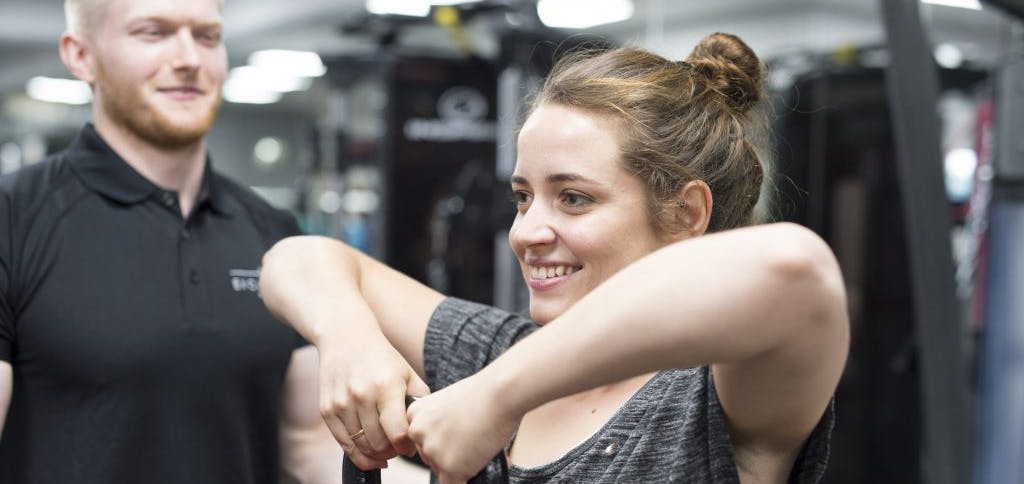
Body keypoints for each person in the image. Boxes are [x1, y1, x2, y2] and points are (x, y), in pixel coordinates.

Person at [260, 32, 849, 484]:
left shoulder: (712, 396)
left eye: (574, 198)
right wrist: (351, 342)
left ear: (687, 213)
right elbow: (298, 257)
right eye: (523, 197)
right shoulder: (501, 351)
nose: (526, 232)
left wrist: (496, 398)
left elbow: (795, 269)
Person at [0, 0, 342, 482]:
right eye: (152, 33)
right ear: (81, 56)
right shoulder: (14, 219)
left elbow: (307, 440)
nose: (189, 58)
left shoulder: (274, 234)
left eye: (207, 36)